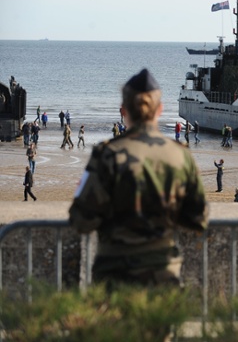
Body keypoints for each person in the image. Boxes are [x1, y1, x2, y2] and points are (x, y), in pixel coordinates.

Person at [69, 68, 208, 286]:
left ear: (124, 110)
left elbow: (81, 220)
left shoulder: (107, 154)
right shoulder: (180, 155)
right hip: (164, 274)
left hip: (114, 276)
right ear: (159, 109)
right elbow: (199, 218)